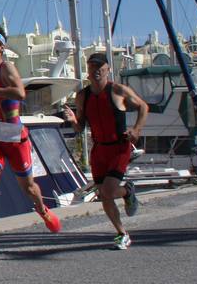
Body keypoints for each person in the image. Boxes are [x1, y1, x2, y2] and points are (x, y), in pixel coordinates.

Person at [0, 23, 62, 262]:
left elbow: (19, 93)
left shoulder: (6, 69)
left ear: (1, 47)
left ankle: (42, 208)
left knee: (28, 187)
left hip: (14, 135)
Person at [60, 53, 148, 250]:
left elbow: (143, 106)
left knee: (108, 191)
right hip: (99, 149)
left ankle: (127, 190)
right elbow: (80, 128)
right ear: (88, 71)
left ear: (108, 69)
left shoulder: (117, 90)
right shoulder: (83, 96)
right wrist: (73, 120)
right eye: (92, 67)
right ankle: (121, 233)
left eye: (100, 67)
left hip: (119, 147)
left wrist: (136, 130)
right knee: (103, 194)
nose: (96, 71)